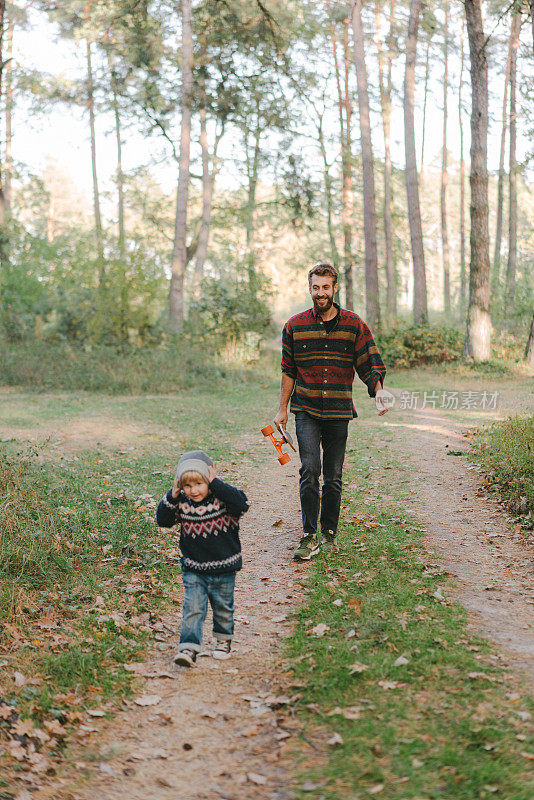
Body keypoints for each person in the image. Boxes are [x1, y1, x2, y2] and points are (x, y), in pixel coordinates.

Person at [274, 263, 389, 561]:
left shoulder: (353, 324)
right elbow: (288, 371)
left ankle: (329, 533)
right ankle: (308, 535)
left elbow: (368, 360)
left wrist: (378, 390)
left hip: (338, 410)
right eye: (315, 287)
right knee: (309, 470)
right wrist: (282, 410)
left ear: (335, 288)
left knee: (333, 476)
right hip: (306, 409)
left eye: (326, 287)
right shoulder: (294, 326)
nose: (320, 293)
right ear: (309, 288)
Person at [156, 450, 249, 666]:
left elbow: (242, 503)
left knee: (223, 607)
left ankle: (223, 641)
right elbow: (163, 521)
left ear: (208, 480)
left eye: (199, 483)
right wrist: (173, 493)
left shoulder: (223, 500)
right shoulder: (182, 503)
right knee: (193, 608)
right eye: (187, 485)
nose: (193, 490)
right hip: (194, 568)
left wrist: (216, 482)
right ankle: (188, 648)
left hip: (224, 567)